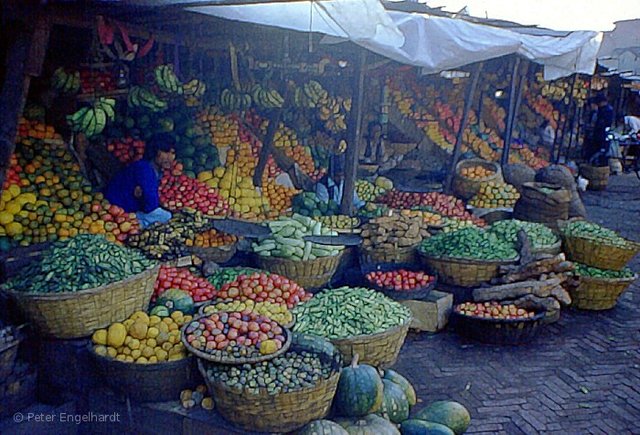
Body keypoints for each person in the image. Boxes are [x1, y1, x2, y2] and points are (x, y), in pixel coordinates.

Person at [105, 133, 175, 228]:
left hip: (128, 207)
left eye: (173, 153)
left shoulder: (152, 169)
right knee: (166, 216)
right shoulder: (144, 169)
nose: (170, 157)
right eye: (166, 152)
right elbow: (151, 205)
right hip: (120, 209)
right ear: (155, 152)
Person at [587, 94, 614, 164]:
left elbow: (604, 123)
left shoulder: (606, 111)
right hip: (599, 135)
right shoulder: (600, 110)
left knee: (601, 152)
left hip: (602, 135)